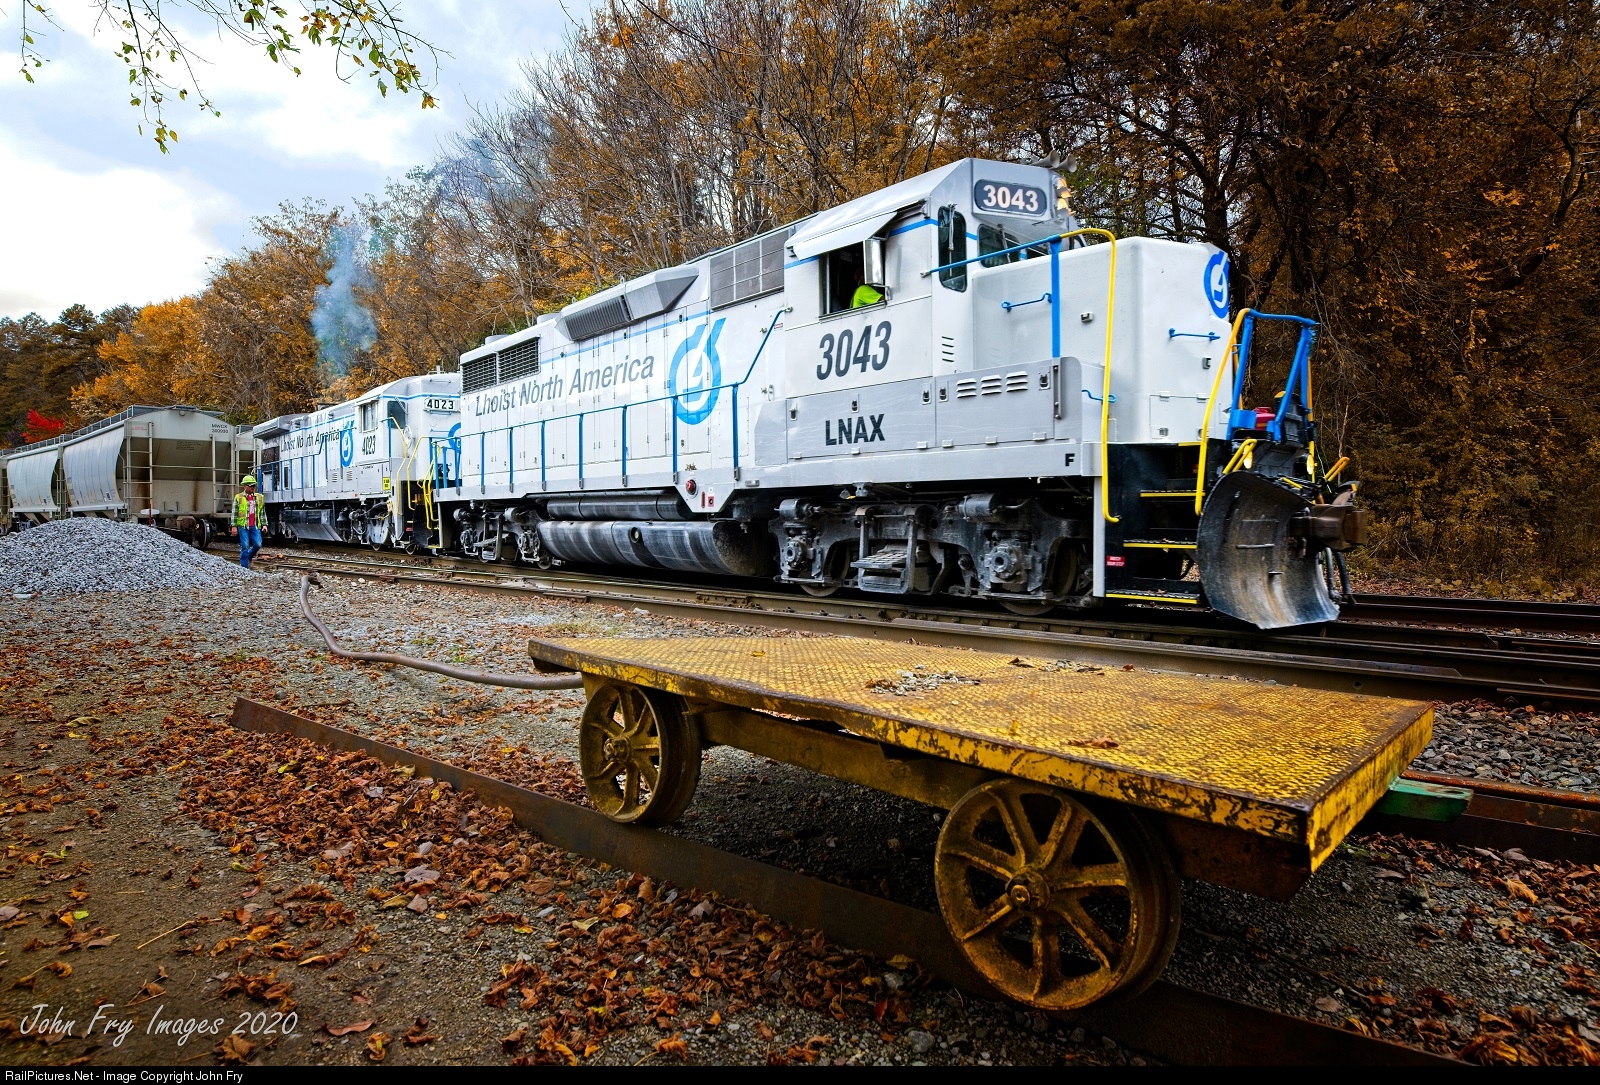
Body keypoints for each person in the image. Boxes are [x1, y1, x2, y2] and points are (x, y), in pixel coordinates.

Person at [232, 475, 267, 569]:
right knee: (245, 546)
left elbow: (262, 512)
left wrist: (264, 524)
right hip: (243, 526)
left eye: (254, 485)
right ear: (245, 486)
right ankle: (244, 567)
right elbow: (234, 513)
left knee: (258, 544)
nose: (252, 487)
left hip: (255, 526)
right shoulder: (238, 497)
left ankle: (248, 557)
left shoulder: (260, 497)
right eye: (250, 485)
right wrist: (234, 526)